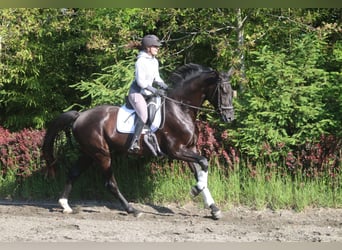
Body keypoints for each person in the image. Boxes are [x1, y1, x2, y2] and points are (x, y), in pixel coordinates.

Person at [127, 34, 168, 153]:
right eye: (155, 46)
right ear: (148, 48)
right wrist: (155, 90)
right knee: (144, 115)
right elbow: (140, 82)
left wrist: (166, 86)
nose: (158, 48)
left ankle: (152, 138)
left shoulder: (154, 61)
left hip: (148, 93)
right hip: (137, 93)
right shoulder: (141, 61)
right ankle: (134, 142)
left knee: (158, 111)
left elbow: (157, 78)